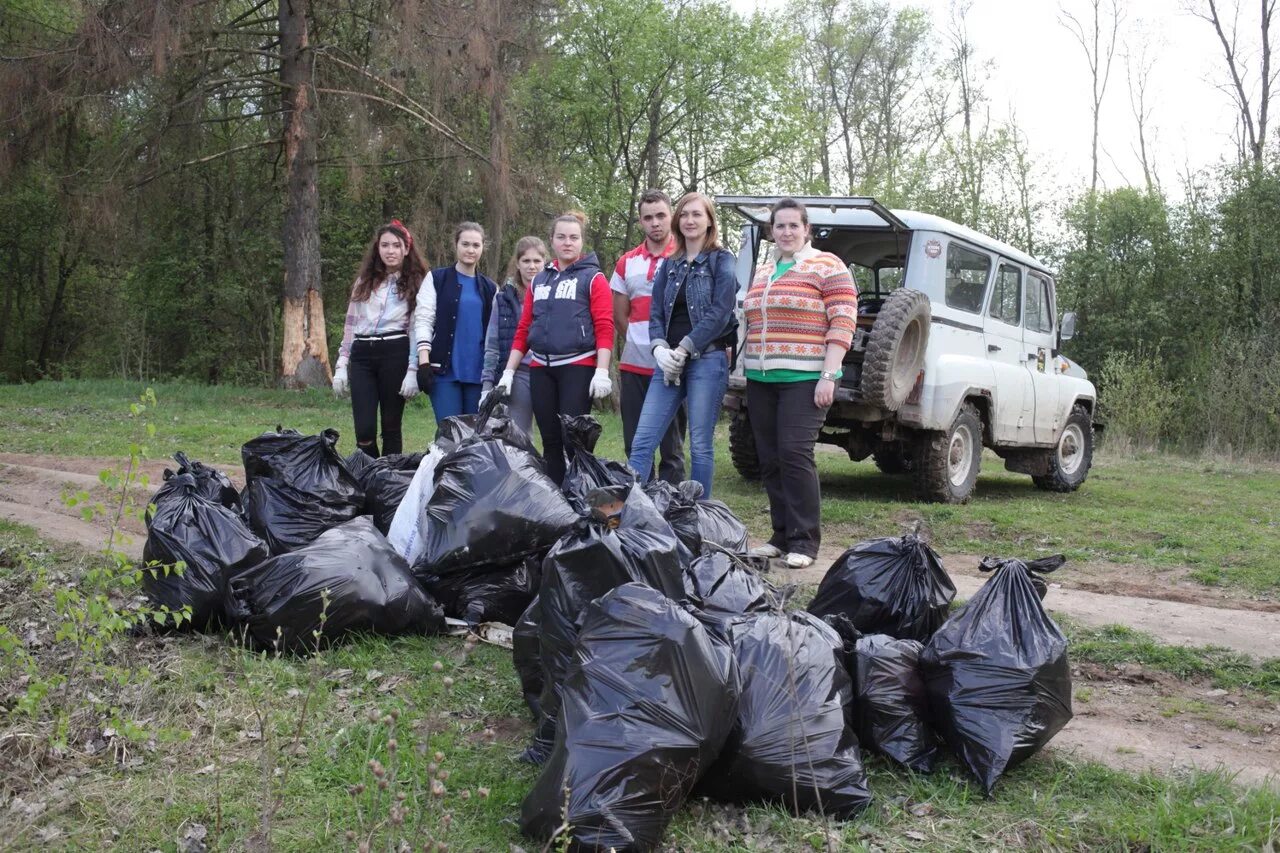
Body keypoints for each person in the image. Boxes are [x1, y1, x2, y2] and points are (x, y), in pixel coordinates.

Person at [743, 198, 857, 568]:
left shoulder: (827, 266)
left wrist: (829, 373)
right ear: (771, 231)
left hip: (805, 378)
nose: (787, 232)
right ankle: (780, 535)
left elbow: (843, 321)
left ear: (807, 229)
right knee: (771, 458)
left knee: (794, 454)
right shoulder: (764, 270)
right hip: (761, 378)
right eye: (780, 226)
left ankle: (805, 542)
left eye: (794, 225)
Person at [626, 192, 736, 499]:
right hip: (668, 363)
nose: (689, 220)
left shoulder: (722, 261)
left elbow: (720, 312)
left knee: (700, 444)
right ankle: (631, 511)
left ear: (710, 221)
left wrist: (685, 347)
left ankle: (698, 516)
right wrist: (659, 349)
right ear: (678, 221)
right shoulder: (668, 265)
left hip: (706, 360)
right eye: (685, 214)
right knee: (643, 441)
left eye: (697, 214)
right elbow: (656, 313)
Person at [494, 212, 614, 484]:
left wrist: (602, 370)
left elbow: (605, 326)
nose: (567, 242)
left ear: (582, 241)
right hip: (541, 370)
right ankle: (556, 501)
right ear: (552, 241)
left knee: (573, 441)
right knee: (549, 439)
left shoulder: (594, 278)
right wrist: (509, 372)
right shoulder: (539, 280)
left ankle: (581, 495)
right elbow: (524, 329)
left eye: (574, 237)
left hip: (578, 367)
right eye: (561, 237)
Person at [332, 220, 432, 458]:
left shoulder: (418, 283)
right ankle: (368, 475)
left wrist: (412, 368)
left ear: (406, 249)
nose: (390, 251)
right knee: (364, 429)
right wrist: (341, 365)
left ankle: (388, 481)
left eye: (396, 245)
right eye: (385, 245)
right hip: (363, 355)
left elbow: (416, 328)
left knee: (390, 426)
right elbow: (351, 324)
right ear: (378, 249)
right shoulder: (364, 282)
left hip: (395, 353)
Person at [611, 189, 686, 483]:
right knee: (635, 446)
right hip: (634, 367)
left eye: (661, 216)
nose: (655, 223)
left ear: (671, 216)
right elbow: (619, 316)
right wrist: (643, 344)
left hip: (672, 369)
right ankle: (642, 511)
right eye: (648, 217)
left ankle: (674, 513)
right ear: (641, 221)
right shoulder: (626, 262)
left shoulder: (686, 256)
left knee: (672, 450)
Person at [415, 222, 498, 424]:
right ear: (456, 245)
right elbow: (424, 320)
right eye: (465, 244)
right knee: (449, 434)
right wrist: (423, 362)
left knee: (473, 437)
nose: (470, 250)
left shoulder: (490, 288)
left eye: (476, 245)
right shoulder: (436, 279)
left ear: (482, 248)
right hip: (444, 371)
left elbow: (495, 333)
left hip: (478, 373)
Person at [480, 235, 545, 434]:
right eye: (526, 261)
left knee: (554, 436)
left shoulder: (554, 294)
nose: (531, 266)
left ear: (545, 262)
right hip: (519, 375)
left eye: (537, 261)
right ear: (517, 263)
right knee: (518, 436)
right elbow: (492, 346)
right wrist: (487, 385)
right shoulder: (502, 299)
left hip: (549, 373)